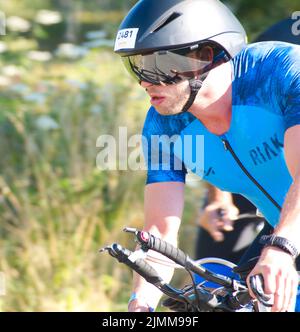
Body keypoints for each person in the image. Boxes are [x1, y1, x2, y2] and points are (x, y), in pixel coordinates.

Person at [114, 0, 300, 312]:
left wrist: (281, 246)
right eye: (137, 67)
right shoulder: (164, 124)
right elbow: (160, 231)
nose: (145, 82)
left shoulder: (280, 72)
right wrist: (140, 304)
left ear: (204, 56)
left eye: (157, 65)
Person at [194, 16, 300, 264]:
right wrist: (218, 198)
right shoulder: (283, 34)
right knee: (214, 269)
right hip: (258, 154)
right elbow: (215, 111)